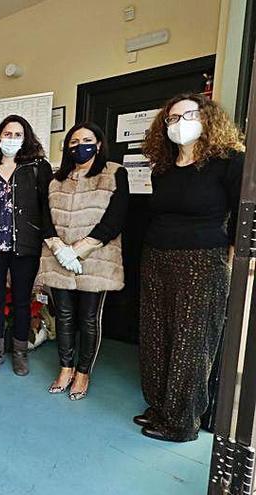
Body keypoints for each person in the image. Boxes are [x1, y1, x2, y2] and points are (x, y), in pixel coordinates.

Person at [136, 93, 244, 442]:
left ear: (207, 118)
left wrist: (228, 258)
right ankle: (159, 406)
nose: (179, 124)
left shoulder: (229, 162)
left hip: (202, 261)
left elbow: (243, 217)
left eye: (188, 115)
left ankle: (182, 422)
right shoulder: (163, 169)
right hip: (157, 257)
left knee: (191, 342)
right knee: (156, 336)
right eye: (171, 118)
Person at [37, 122, 129, 400]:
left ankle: (83, 372)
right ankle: (65, 368)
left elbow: (115, 218)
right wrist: (58, 247)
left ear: (99, 144)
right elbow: (44, 217)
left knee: (89, 318)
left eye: (87, 140)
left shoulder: (114, 173)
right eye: (74, 142)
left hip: (96, 257)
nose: (80, 146)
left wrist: (78, 250)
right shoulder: (56, 179)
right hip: (57, 257)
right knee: (63, 316)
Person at [0, 115, 53, 376]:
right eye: (8, 134)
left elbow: (45, 206)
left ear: (25, 138)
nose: (12, 139)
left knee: (21, 301)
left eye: (18, 135)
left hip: (25, 245)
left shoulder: (38, 167)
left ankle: (19, 353)